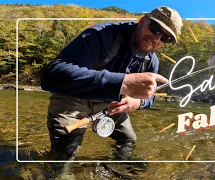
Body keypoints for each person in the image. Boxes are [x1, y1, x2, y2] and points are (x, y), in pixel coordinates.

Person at [40, 6, 183, 160]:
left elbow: (152, 95)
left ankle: (111, 171)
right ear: (142, 21)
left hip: (111, 104)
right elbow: (51, 76)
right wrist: (124, 83)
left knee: (128, 141)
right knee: (66, 151)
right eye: (155, 28)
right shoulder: (102, 35)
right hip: (73, 97)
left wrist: (138, 102)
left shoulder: (151, 61)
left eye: (166, 38)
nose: (157, 38)